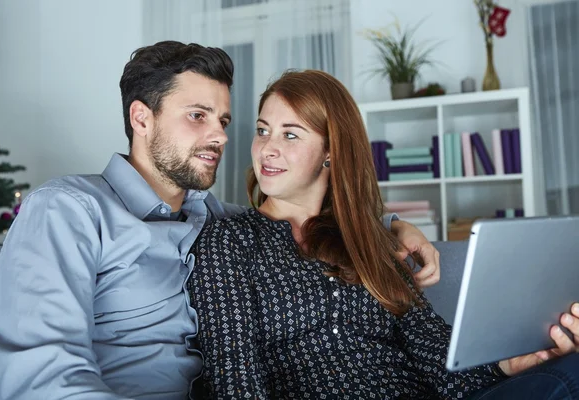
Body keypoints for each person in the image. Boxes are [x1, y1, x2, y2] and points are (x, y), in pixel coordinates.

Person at [0, 42, 439, 400]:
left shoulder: (213, 218)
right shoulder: (67, 210)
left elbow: (304, 216)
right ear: (142, 118)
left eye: (223, 119)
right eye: (197, 116)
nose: (219, 135)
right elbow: (41, 375)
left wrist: (393, 227)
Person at [188, 69, 579, 399]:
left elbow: (438, 360)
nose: (267, 149)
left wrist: (512, 363)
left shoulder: (370, 239)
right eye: (262, 130)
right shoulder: (230, 240)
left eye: (290, 134)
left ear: (331, 151)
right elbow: (235, 382)